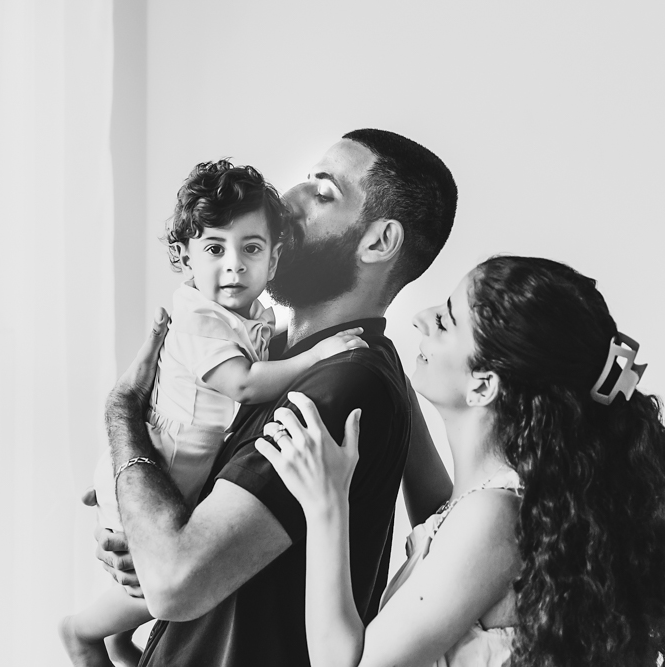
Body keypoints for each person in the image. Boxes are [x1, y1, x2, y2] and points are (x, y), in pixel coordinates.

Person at [258, 256, 665, 667]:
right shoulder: (488, 507)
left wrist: (326, 502)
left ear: (483, 385)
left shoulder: (493, 518)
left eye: (445, 322)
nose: (422, 318)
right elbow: (440, 519)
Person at [96, 129, 458, 666]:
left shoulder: (338, 387)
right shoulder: (276, 355)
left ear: (379, 242)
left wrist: (122, 413)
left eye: (324, 190)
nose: (287, 200)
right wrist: (143, 518)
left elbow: (175, 581)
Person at [60, 160, 367, 666]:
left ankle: (115, 639)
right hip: (165, 459)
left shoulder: (253, 316)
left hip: (188, 462)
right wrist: (316, 357)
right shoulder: (199, 319)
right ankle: (83, 632)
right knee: (153, 576)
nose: (234, 265)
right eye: (214, 249)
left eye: (251, 249)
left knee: (155, 576)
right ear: (185, 261)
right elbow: (244, 384)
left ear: (273, 259)